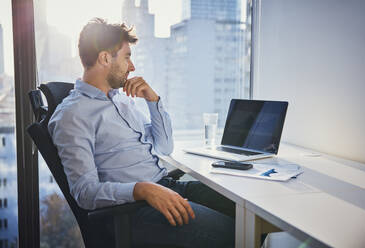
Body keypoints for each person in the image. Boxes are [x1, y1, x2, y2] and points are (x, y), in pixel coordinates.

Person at [48, 18, 235, 248]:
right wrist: (143, 190)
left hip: (165, 187)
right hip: (132, 211)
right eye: (127, 57)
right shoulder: (73, 115)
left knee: (247, 208)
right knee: (233, 232)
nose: (132, 67)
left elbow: (164, 147)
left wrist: (153, 101)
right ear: (105, 58)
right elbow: (85, 193)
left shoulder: (120, 100)